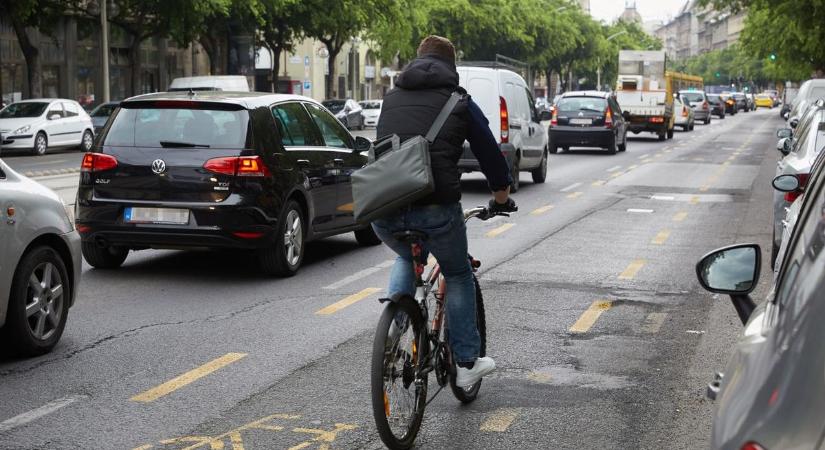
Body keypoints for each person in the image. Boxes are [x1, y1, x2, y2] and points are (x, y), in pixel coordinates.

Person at [372, 35, 516, 387]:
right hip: (436, 207)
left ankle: (395, 328)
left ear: (415, 62)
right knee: (458, 272)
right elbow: (489, 153)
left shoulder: (391, 97)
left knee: (406, 257)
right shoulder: (459, 102)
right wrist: (500, 196)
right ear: (451, 67)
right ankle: (467, 363)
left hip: (384, 207)